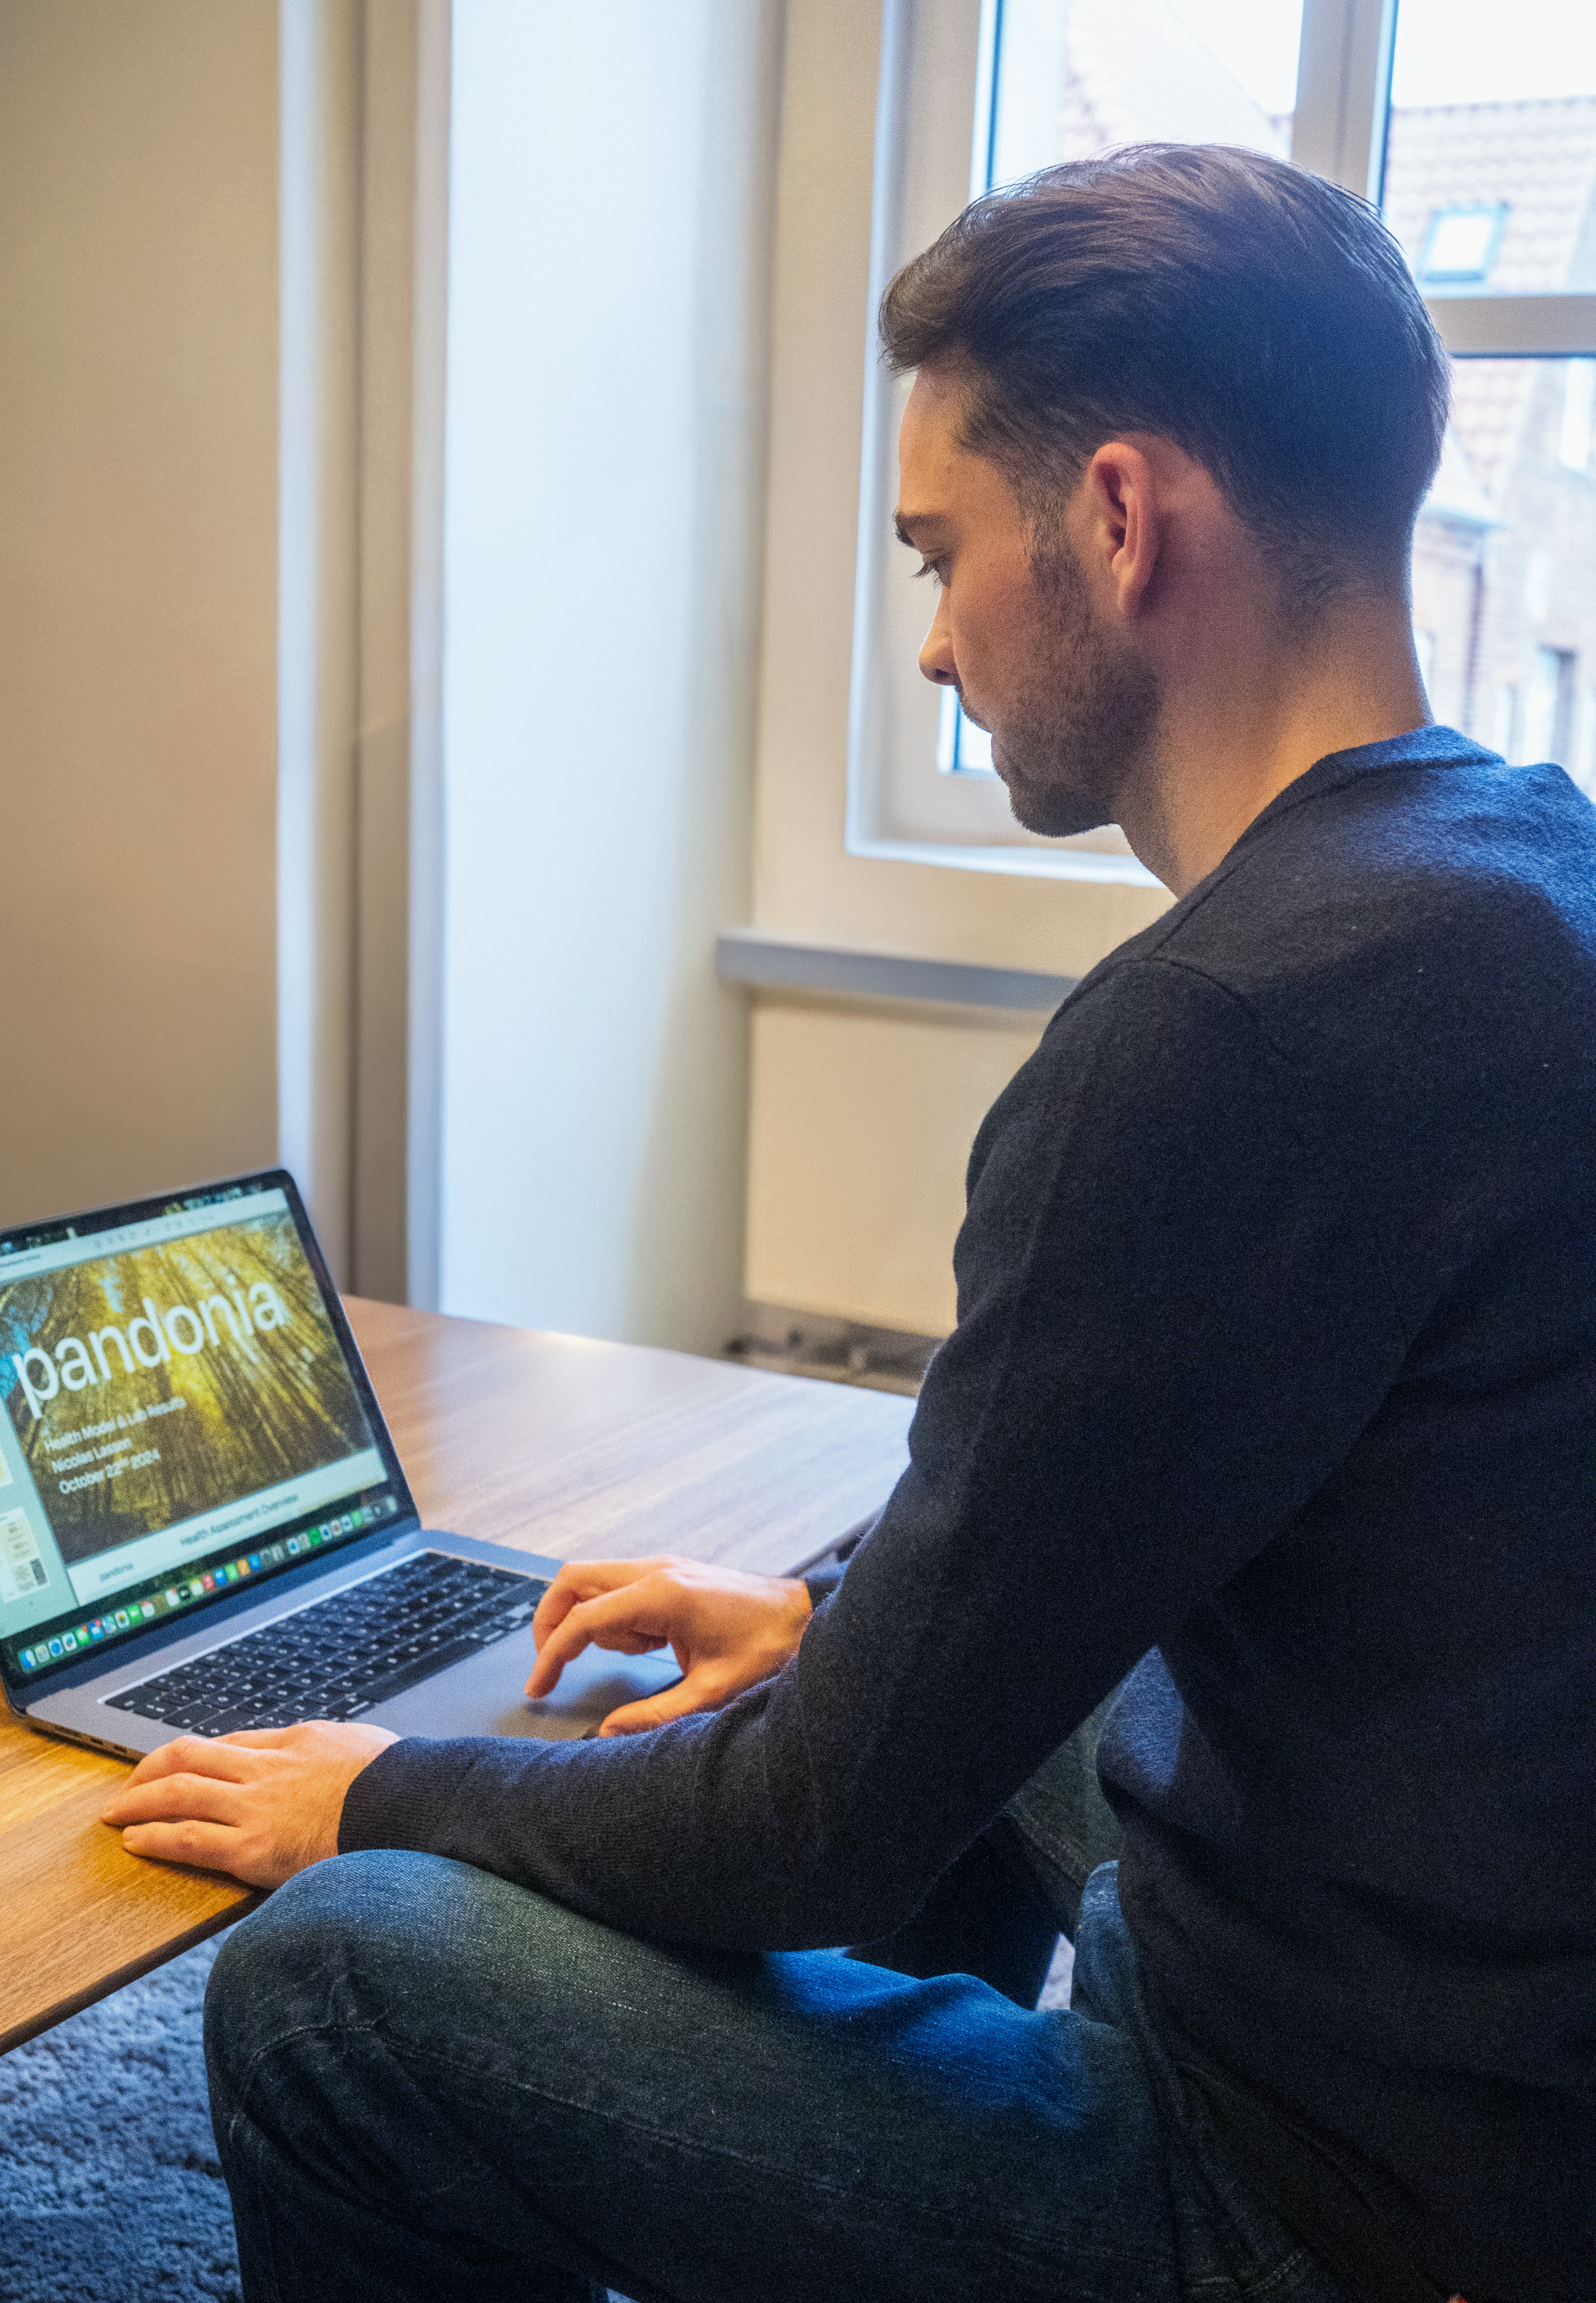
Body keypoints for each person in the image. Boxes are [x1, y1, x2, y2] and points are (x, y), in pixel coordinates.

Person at [100, 144, 1595, 2303]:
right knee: (987, 1700)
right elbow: (1187, 1496)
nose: (935, 644)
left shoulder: (1220, 1036)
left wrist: (387, 1791)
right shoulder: (1524, 873)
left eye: (939, 553)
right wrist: (843, 1638)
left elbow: (806, 1840)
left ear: (1119, 518)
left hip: (1325, 2211)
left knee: (336, 1977)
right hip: (1504, 2069)